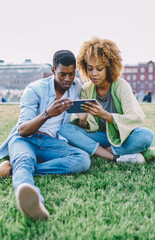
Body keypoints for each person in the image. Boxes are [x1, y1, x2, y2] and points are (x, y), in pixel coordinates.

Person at [0, 50, 90, 220]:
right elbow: (22, 130)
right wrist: (47, 113)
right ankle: (34, 202)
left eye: (72, 74)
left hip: (51, 143)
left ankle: (13, 170)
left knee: (83, 159)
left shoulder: (76, 86)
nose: (67, 79)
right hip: (26, 139)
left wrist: (84, 119)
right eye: (63, 74)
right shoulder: (34, 89)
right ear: (53, 71)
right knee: (25, 160)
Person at [59, 37, 155, 163]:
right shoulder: (87, 88)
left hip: (123, 137)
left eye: (99, 69)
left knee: (146, 136)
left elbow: (135, 118)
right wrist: (83, 120)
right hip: (100, 136)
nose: (93, 73)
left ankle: (105, 151)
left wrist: (104, 114)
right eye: (90, 68)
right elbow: (89, 127)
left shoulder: (121, 86)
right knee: (65, 129)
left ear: (109, 67)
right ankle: (118, 155)